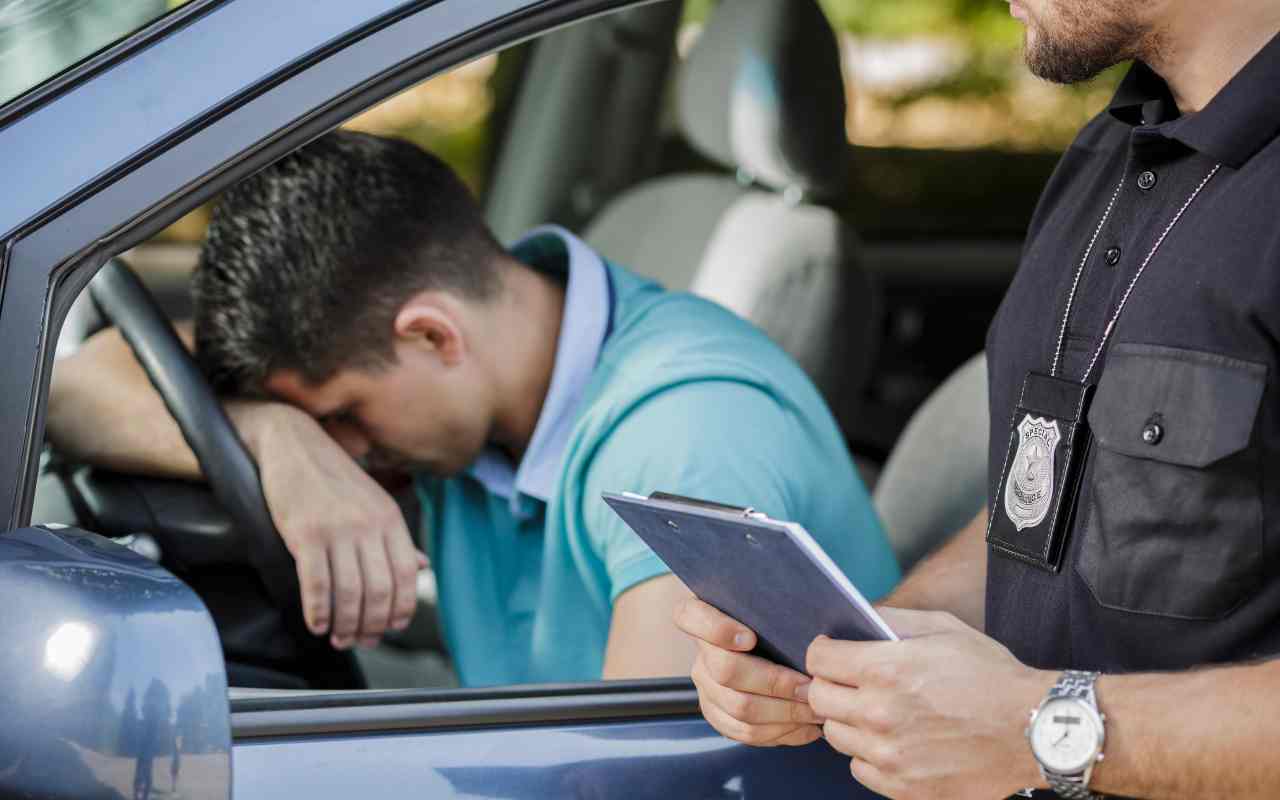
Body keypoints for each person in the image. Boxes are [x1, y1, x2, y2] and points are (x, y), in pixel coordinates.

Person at [675, 1, 1280, 798]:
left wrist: (1044, 728)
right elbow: (1056, 509)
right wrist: (850, 651)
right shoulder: (1111, 149)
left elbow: (1028, 723)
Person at [47, 130, 900, 686]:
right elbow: (74, 390)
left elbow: (640, 776)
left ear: (432, 336)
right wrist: (278, 438)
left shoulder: (685, 437)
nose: (342, 450)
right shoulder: (477, 384)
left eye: (343, 414)